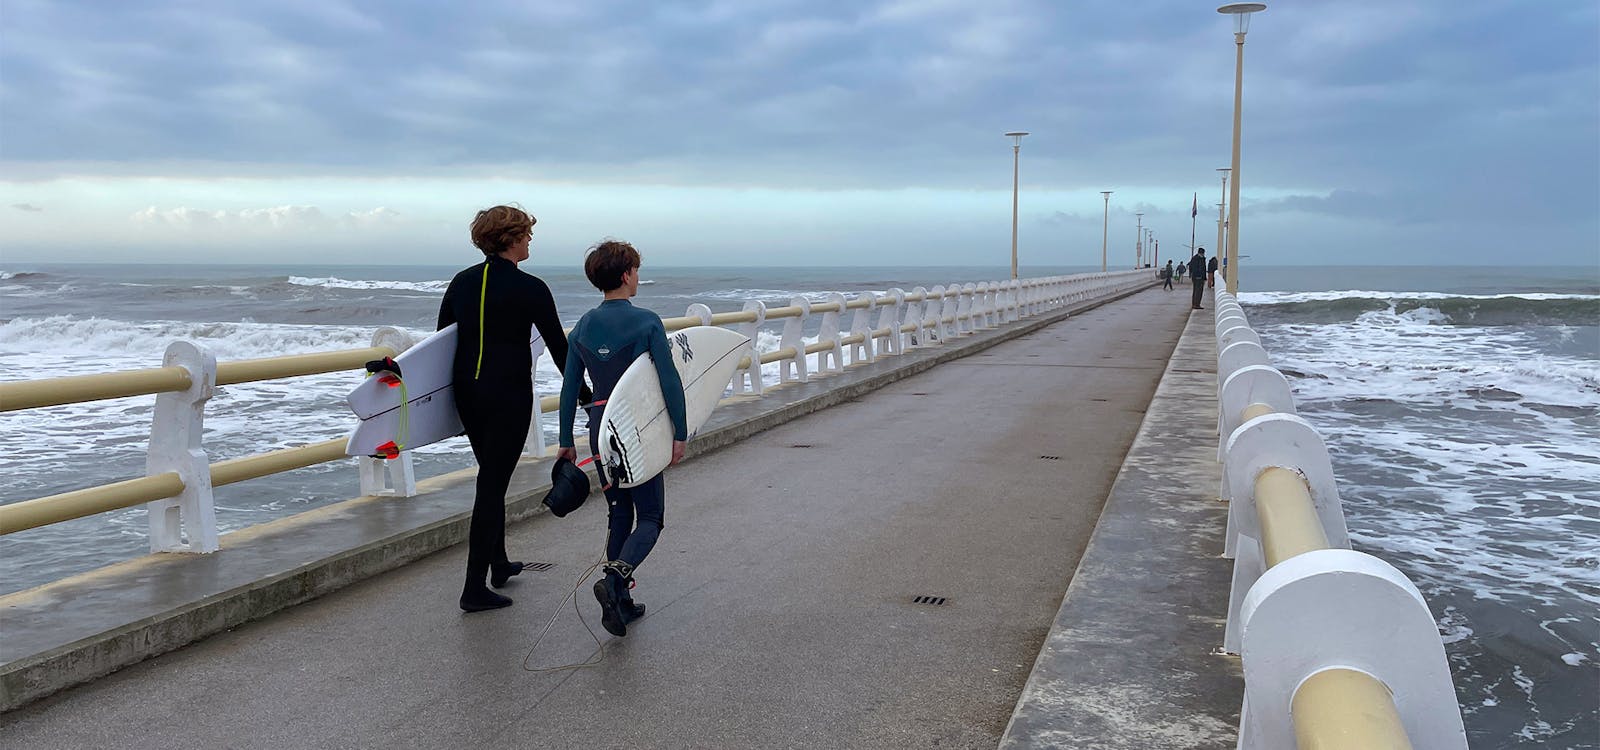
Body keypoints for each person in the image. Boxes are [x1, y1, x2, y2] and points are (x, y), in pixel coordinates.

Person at [440, 205, 587, 613]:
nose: (529, 239)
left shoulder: (462, 282)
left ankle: (499, 563)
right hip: (508, 396)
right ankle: (473, 588)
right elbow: (561, 349)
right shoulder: (531, 288)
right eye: (525, 233)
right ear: (509, 238)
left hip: (467, 394)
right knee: (491, 485)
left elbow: (441, 343)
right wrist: (585, 396)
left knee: (492, 474)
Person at [557, 240, 686, 638]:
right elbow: (669, 381)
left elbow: (568, 387)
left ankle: (623, 603)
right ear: (627, 274)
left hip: (599, 427)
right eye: (636, 270)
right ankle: (615, 581)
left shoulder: (582, 325)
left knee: (618, 514)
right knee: (649, 517)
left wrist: (566, 439)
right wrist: (680, 432)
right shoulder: (647, 321)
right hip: (635, 427)